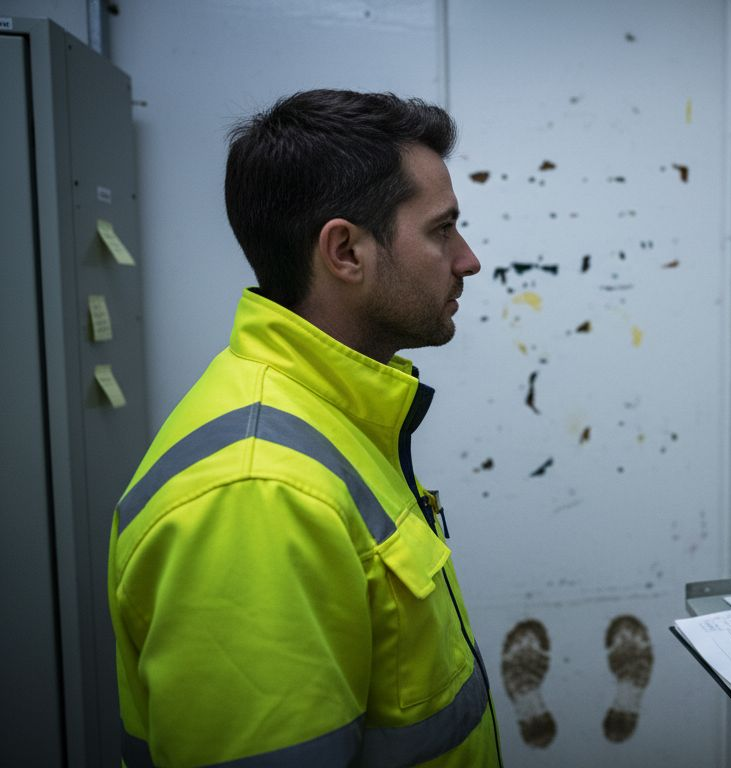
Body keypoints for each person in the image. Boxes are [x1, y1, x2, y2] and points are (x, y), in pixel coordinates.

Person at [108, 89, 500, 767]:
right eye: (441, 230)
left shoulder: (331, 414)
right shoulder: (258, 494)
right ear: (346, 251)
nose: (468, 260)